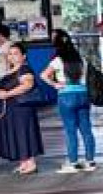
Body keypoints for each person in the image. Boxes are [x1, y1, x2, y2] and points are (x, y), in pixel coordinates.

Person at [0, 33, 46, 176]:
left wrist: (6, 94)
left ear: (23, 56)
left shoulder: (24, 69)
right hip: (10, 109)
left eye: (15, 53)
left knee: (24, 133)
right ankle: (23, 162)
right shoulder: (9, 71)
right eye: (10, 54)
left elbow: (27, 85)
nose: (12, 56)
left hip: (21, 108)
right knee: (16, 134)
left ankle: (30, 163)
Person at [42, 31, 98, 173]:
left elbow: (43, 75)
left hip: (66, 96)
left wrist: (55, 84)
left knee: (70, 131)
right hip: (83, 95)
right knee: (86, 130)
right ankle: (90, 162)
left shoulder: (58, 60)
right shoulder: (82, 60)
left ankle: (73, 162)